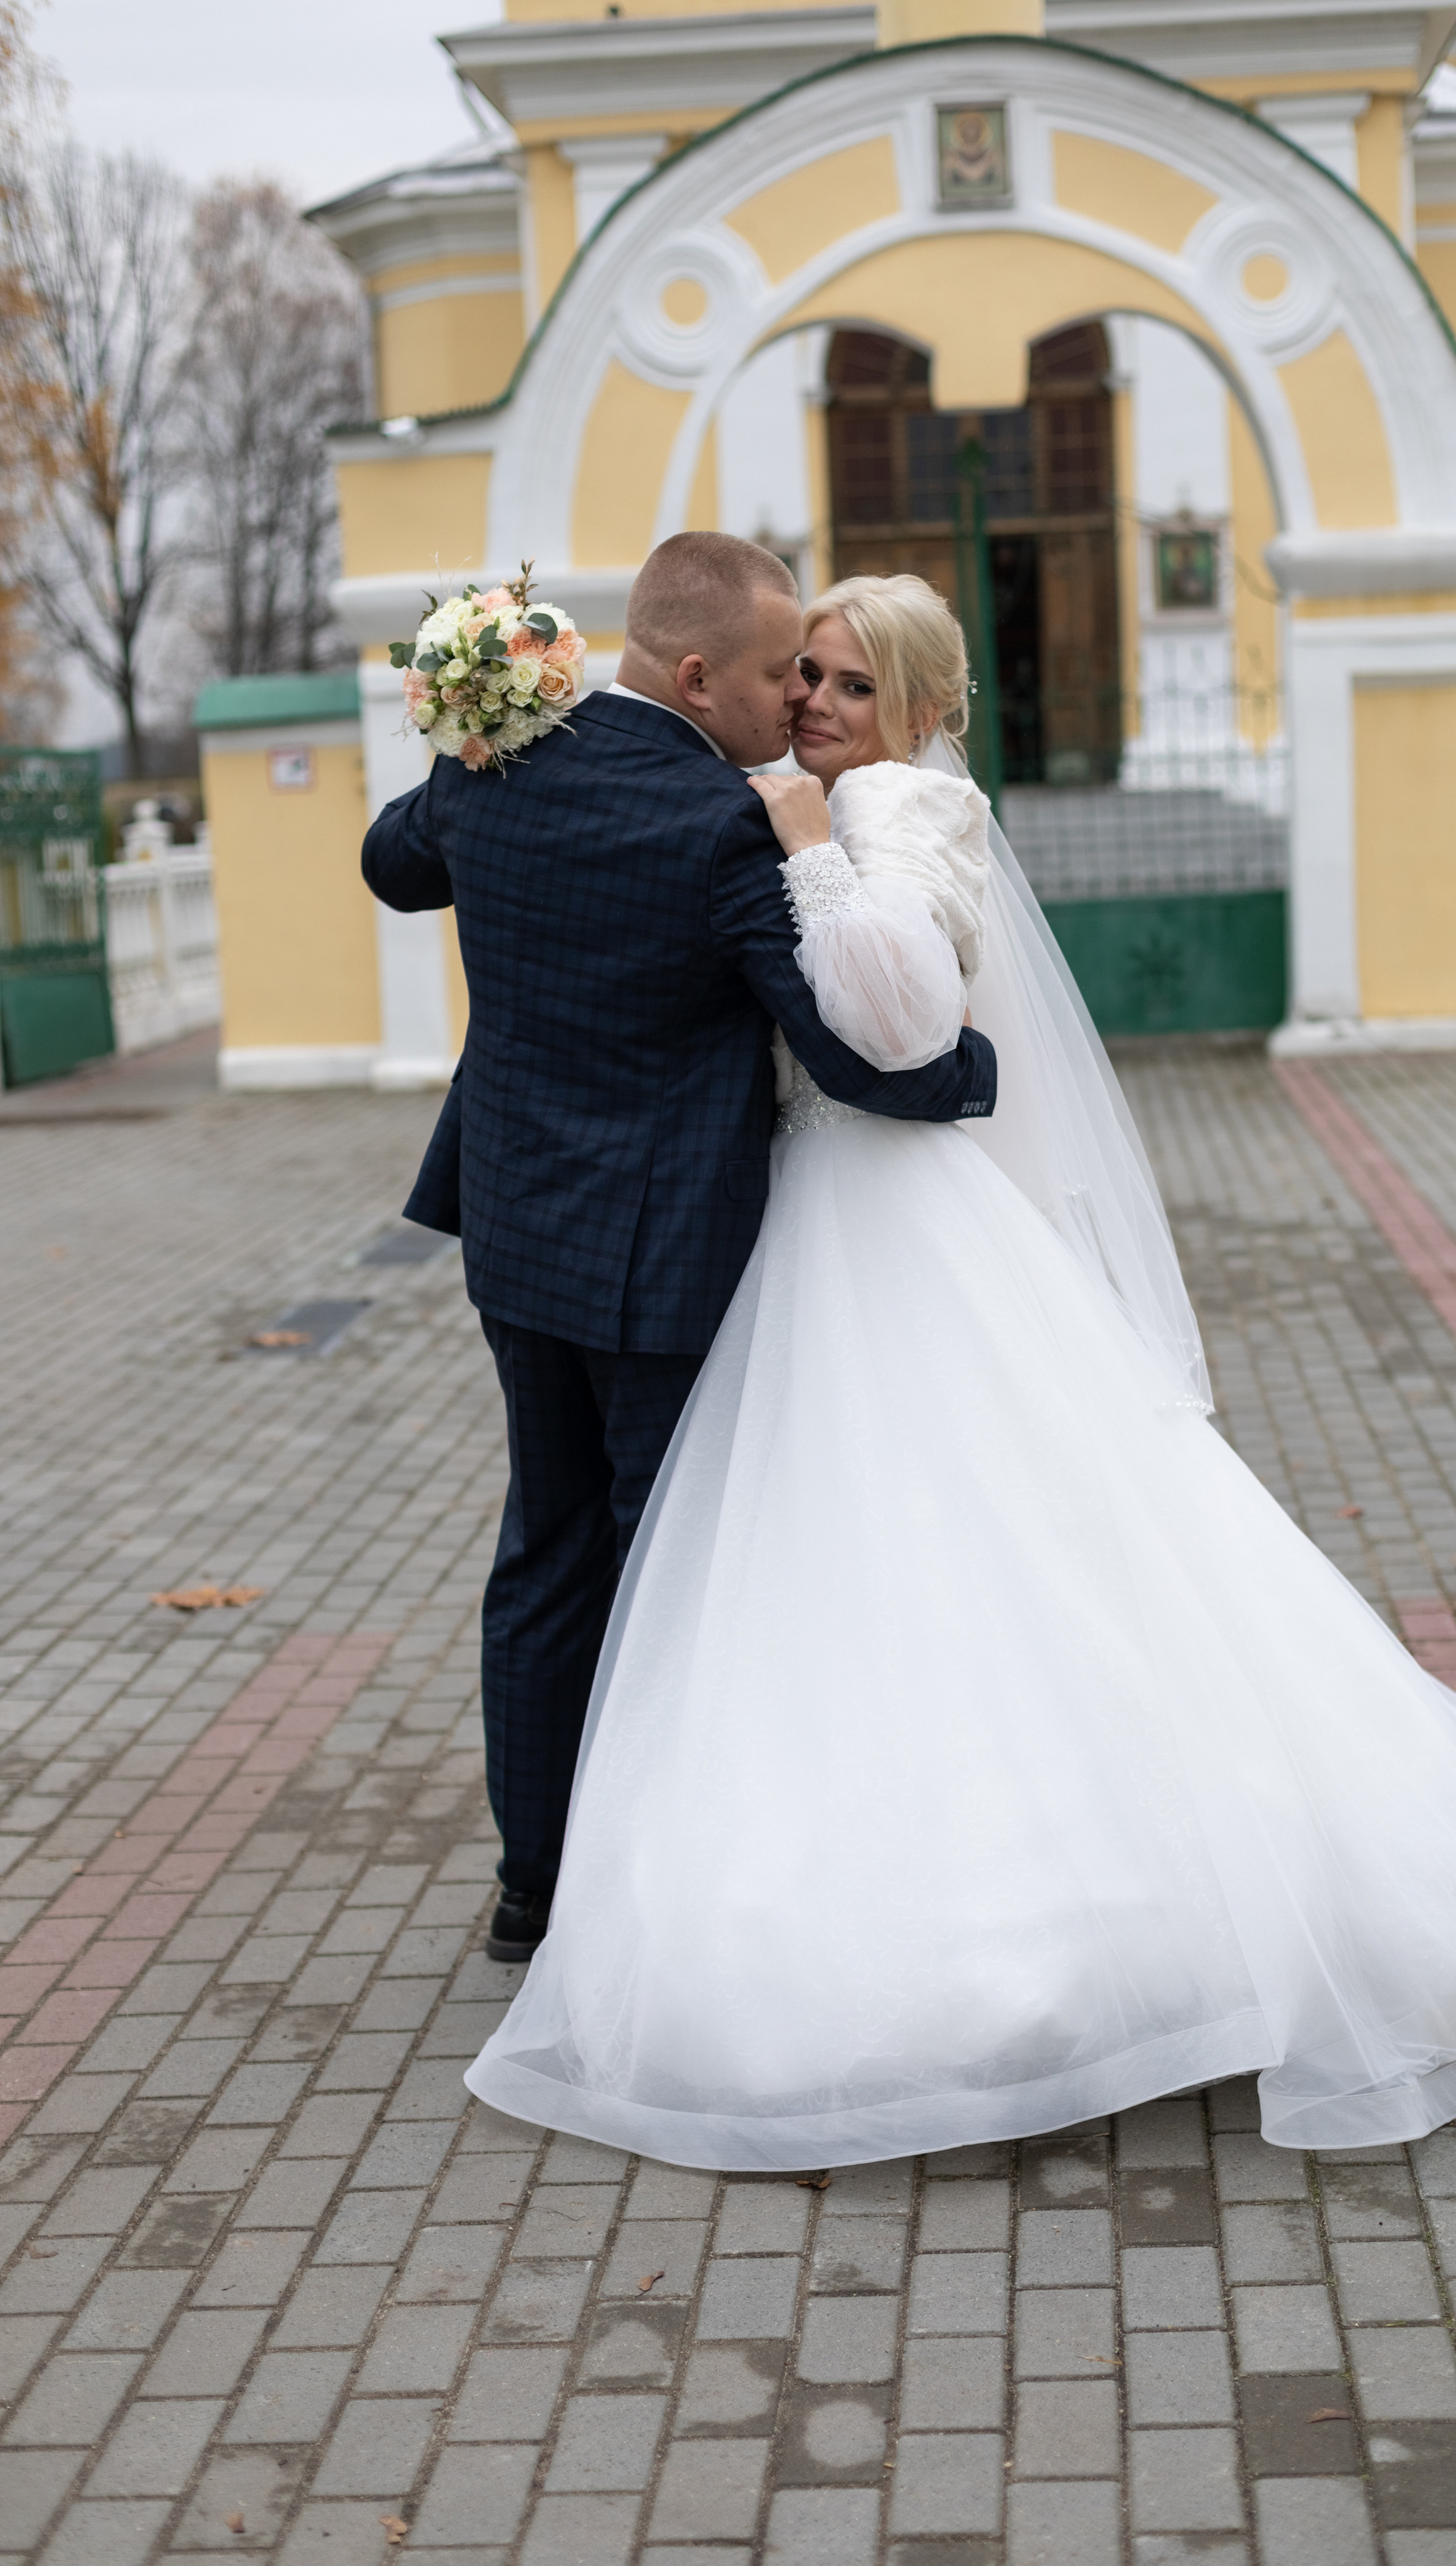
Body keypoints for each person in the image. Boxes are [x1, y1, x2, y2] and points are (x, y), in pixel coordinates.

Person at [466, 570, 1456, 2164]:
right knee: (883, 1550)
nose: (808, 707)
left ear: (906, 706)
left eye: (840, 684)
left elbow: (894, 1032)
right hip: (815, 1218)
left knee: (940, 1535)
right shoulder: (817, 802)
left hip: (884, 1211)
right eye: (800, 678)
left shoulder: (890, 810)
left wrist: (812, 860)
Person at [359, 537, 997, 1963]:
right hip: (666, 1261)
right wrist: (972, 1082)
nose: (794, 703)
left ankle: (533, 1888)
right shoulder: (720, 822)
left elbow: (390, 866)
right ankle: (659, 1897)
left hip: (516, 1234)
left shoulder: (499, 758)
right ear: (699, 673)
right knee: (671, 1567)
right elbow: (851, 1052)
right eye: (780, 673)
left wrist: (468, 745)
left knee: (544, 1547)